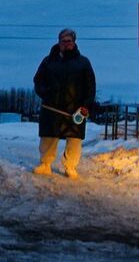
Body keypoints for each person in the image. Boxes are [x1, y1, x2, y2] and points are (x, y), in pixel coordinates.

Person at [32, 28, 96, 179]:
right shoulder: (48, 61)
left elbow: (91, 86)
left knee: (74, 139)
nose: (66, 44)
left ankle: (70, 167)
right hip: (51, 107)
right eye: (63, 41)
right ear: (58, 42)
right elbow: (38, 80)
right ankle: (45, 164)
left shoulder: (83, 63)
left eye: (69, 41)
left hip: (75, 109)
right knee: (49, 136)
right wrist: (45, 92)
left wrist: (86, 104)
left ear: (74, 42)